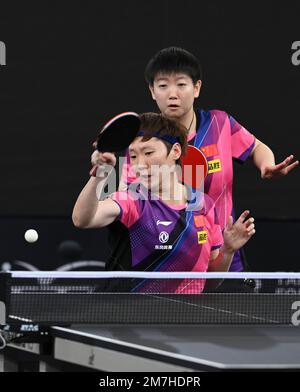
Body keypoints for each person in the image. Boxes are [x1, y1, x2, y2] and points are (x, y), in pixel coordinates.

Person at [119, 47, 298, 278]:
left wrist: (267, 165)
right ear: (152, 91)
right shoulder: (141, 144)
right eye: (163, 86)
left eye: (181, 84)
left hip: (223, 252)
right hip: (165, 258)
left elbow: (256, 147)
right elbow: (127, 194)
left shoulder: (220, 124)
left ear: (197, 88)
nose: (172, 94)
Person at [72, 113, 255, 293]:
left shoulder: (203, 205)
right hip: (126, 316)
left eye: (149, 153)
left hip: (183, 319)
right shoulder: (132, 201)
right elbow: (82, 219)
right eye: (133, 156)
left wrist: (228, 250)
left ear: (175, 151)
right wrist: (100, 174)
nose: (140, 164)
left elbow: (210, 282)